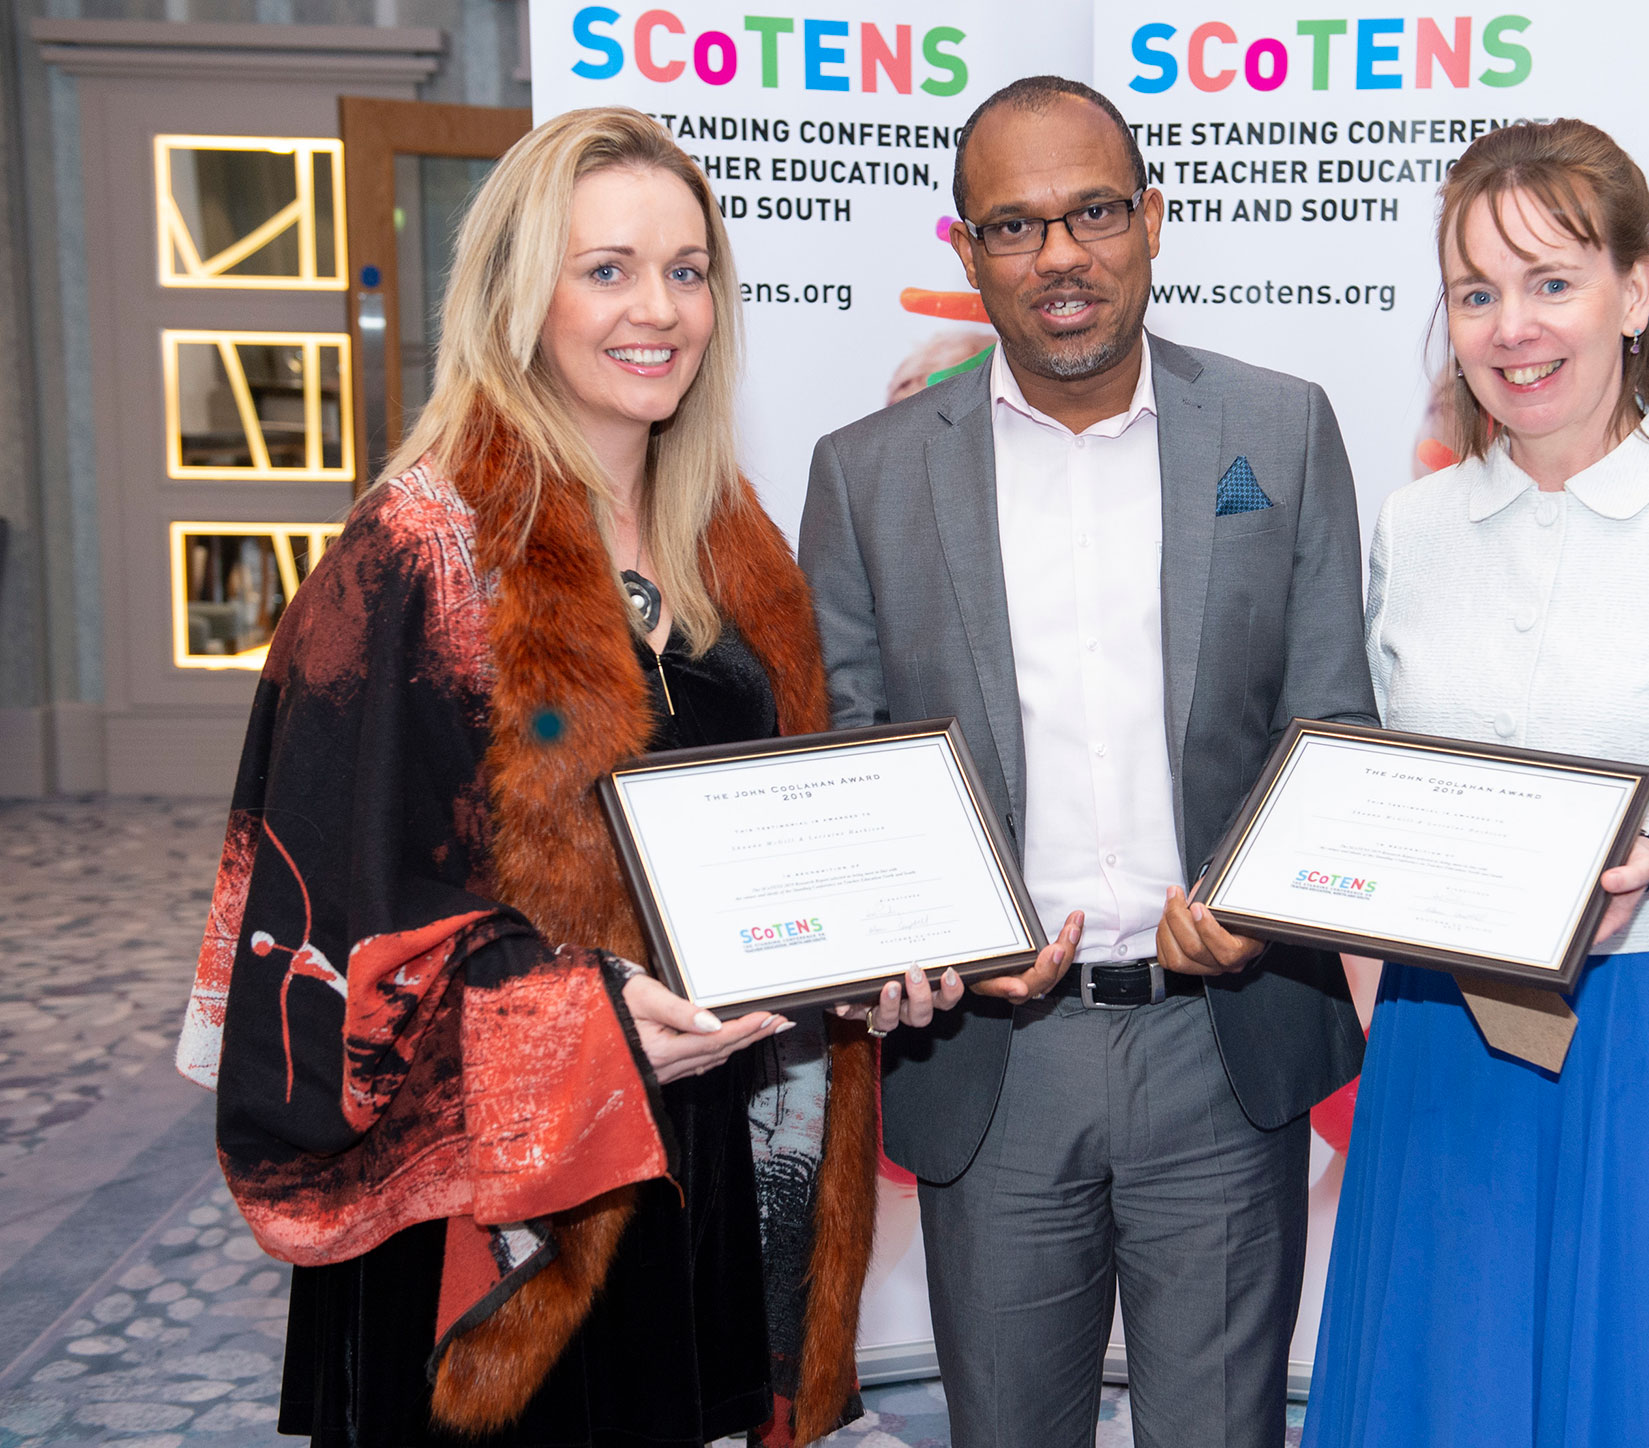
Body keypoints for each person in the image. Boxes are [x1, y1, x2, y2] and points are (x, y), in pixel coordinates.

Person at [173, 107, 951, 1448]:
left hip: (698, 1149)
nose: (659, 309)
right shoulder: (414, 556)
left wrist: (875, 953)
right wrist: (574, 1013)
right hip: (497, 1218)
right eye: (607, 269)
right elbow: (334, 930)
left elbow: (780, 837)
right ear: (519, 293)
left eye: (687, 270)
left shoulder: (733, 538)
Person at [798, 76, 1372, 1448]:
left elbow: (1328, 723)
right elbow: (852, 761)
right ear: (966, 252)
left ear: (1153, 220)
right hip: (994, 1058)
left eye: (1094, 211)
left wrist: (1265, 913)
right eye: (1014, 225)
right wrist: (936, 934)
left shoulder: (1280, 430)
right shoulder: (864, 475)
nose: (1061, 254)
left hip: (1220, 1040)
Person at [1304, 118, 1649, 1448]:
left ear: (1636, 289)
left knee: (1646, 1394)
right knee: (1445, 1395)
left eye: (1551, 281)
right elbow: (1379, 792)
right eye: (1475, 293)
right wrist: (1386, 1014)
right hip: (1445, 1045)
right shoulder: (1417, 528)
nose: (1513, 329)